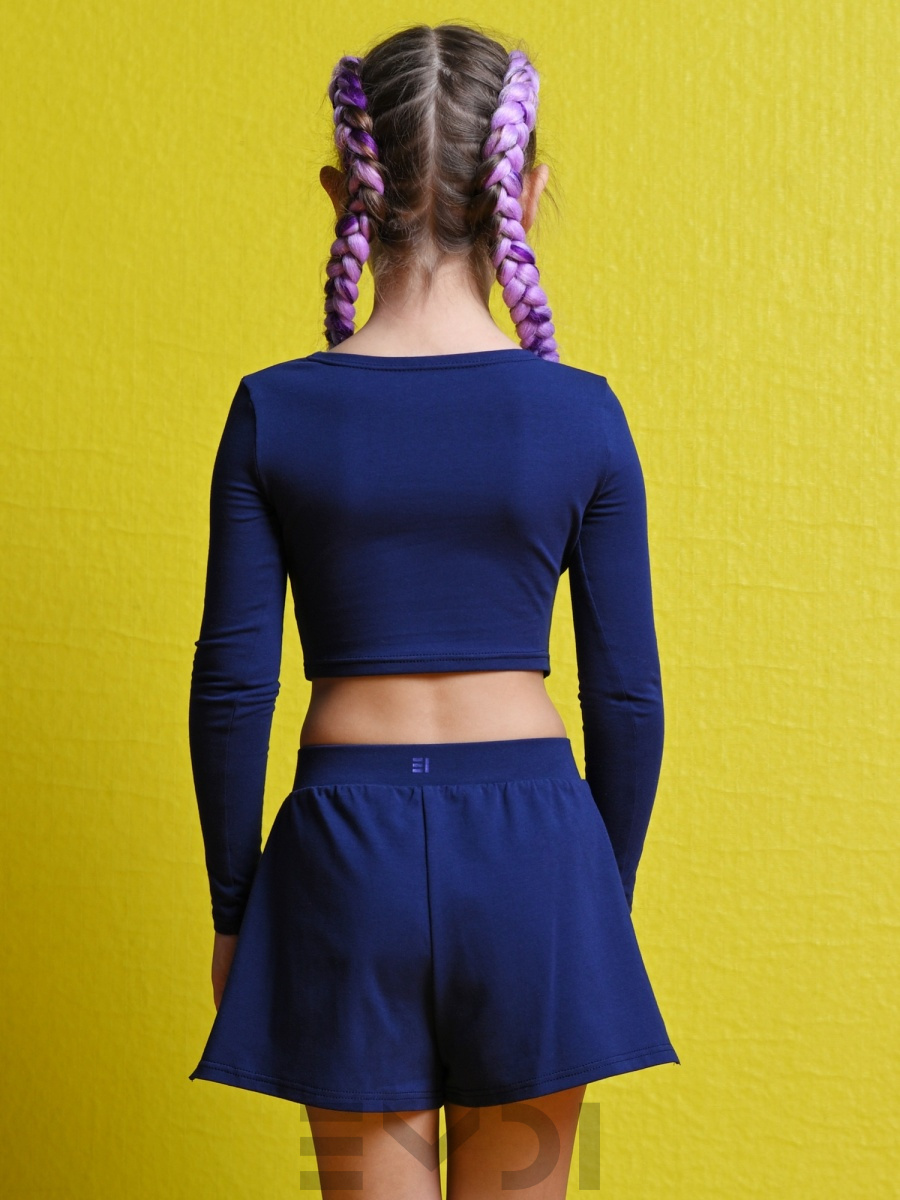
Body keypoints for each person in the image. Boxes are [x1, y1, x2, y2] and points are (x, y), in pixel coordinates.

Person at [187, 22, 679, 1200]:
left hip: (339, 869)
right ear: (526, 191)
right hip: (536, 865)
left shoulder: (273, 411)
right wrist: (594, 907)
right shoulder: (584, 415)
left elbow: (233, 686)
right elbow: (626, 697)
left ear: (343, 194)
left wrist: (236, 910)